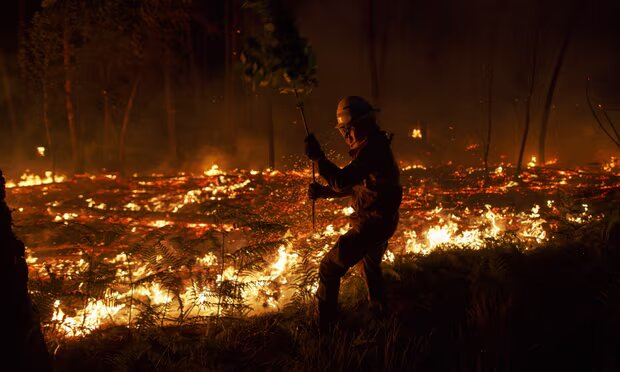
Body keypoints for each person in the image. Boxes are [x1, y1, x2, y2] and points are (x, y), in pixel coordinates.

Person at [304, 96, 403, 331]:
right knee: (369, 266)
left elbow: (342, 180)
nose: (347, 136)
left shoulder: (373, 150)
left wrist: (319, 158)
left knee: (329, 267)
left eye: (350, 129)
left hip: (373, 224)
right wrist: (324, 193)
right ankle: (380, 314)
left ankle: (323, 328)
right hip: (382, 221)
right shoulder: (373, 147)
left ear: (365, 123)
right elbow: (355, 185)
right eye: (344, 131)